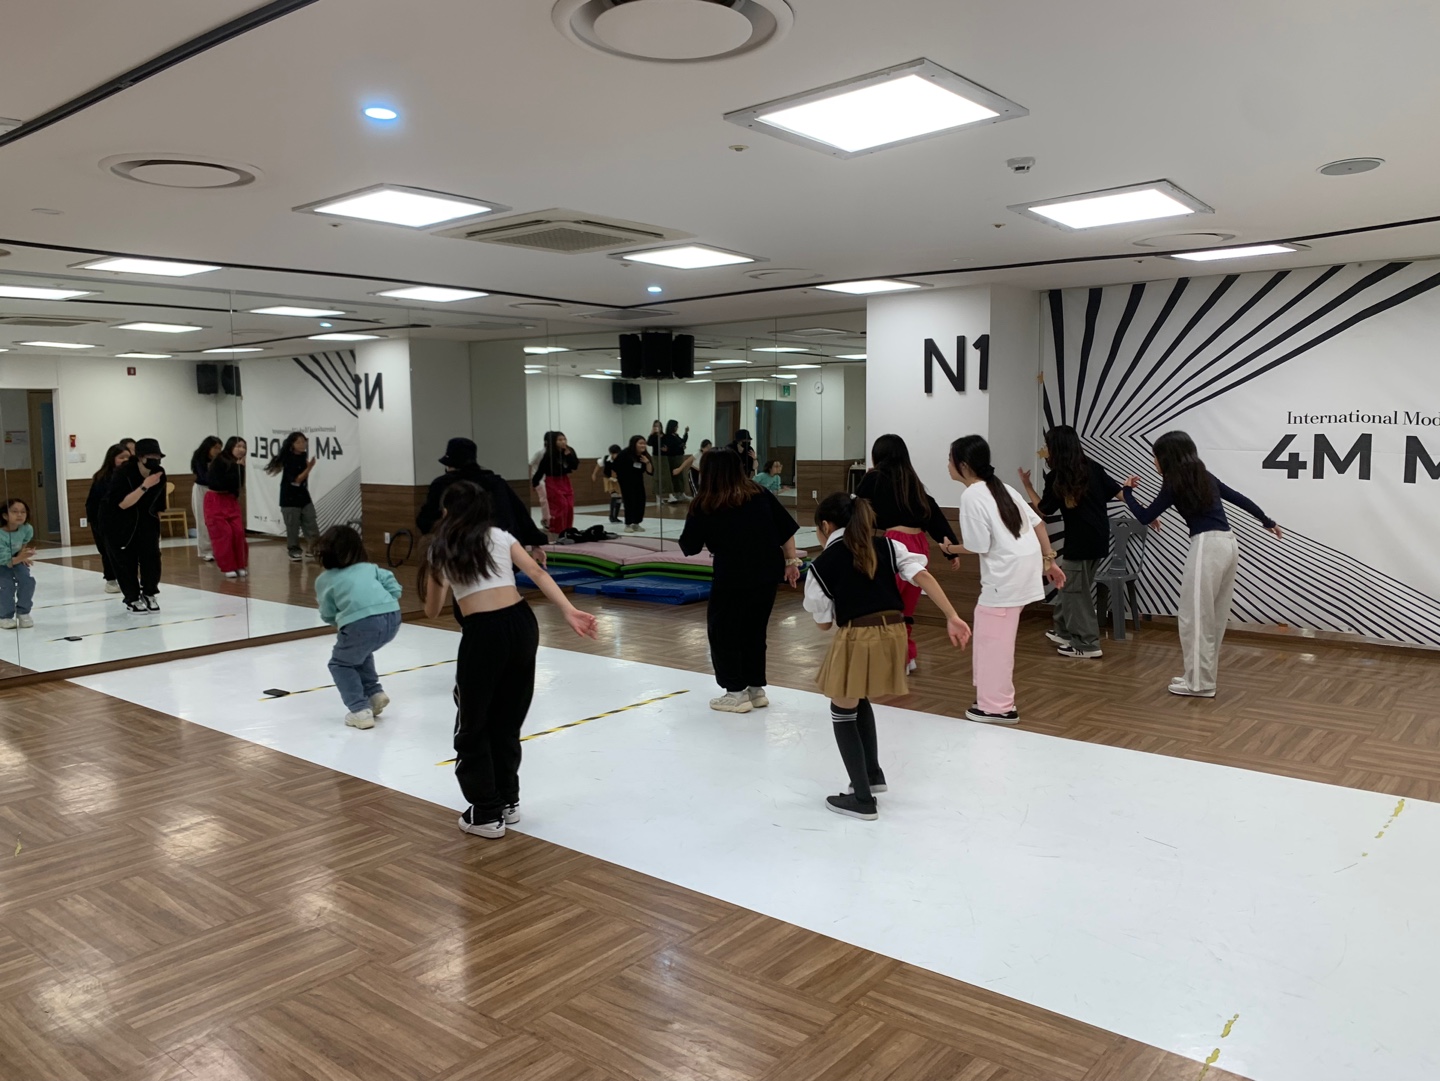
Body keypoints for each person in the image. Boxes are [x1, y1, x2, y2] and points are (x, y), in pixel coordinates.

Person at [421, 481, 598, 839]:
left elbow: (432, 610)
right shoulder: (500, 536)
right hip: (522, 624)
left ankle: (486, 813)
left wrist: (432, 574)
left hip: (484, 633)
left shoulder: (443, 547)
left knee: (473, 724)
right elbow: (537, 572)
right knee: (506, 718)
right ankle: (507, 800)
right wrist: (569, 610)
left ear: (447, 511)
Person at [805, 493, 970, 819]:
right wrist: (952, 615)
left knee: (841, 709)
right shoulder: (888, 546)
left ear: (825, 526)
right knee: (857, 694)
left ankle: (862, 799)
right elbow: (921, 575)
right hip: (895, 632)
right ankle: (873, 774)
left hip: (859, 634)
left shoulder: (822, 564)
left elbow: (823, 624)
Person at [1121, 430, 1282, 698]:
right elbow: (1239, 498)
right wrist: (1267, 521)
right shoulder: (1203, 476)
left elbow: (1146, 516)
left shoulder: (1174, 482)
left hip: (1207, 546)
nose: (1154, 461)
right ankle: (1199, 677)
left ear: (1167, 457)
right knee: (1213, 617)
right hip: (1229, 544)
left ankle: (1199, 684)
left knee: (1194, 617)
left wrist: (1127, 492)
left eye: (1155, 456)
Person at [938, 435, 1065, 725]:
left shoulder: (972, 495)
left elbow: (978, 545)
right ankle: (990, 698)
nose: (947, 465)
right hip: (1022, 572)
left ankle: (998, 707)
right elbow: (1038, 523)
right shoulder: (1002, 487)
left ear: (963, 465)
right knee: (990, 637)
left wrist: (949, 549)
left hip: (1006, 577)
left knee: (994, 643)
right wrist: (1049, 560)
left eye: (949, 460)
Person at [678, 447, 803, 713]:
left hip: (732, 574)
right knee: (754, 630)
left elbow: (689, 546)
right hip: (767, 571)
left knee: (723, 631)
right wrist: (791, 562)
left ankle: (735, 692)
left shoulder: (706, 503)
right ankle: (756, 689)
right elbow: (786, 530)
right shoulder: (759, 493)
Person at [855, 434, 962, 673]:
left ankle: (892, 660)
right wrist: (951, 550)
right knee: (906, 608)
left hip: (895, 544)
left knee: (886, 605)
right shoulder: (911, 481)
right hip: (919, 545)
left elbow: (856, 509)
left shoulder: (874, 478)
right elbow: (933, 513)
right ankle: (906, 656)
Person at [1017, 425, 1123, 660]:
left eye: (1048, 445)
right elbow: (1119, 492)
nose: (1045, 449)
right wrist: (1145, 511)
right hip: (1099, 539)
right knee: (1070, 585)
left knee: (1076, 593)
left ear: (1056, 447)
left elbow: (1044, 510)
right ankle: (1064, 631)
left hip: (1080, 541)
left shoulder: (1058, 475)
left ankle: (1087, 643)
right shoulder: (1092, 467)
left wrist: (1027, 486)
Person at [315, 525, 403, 731]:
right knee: (361, 652)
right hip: (393, 617)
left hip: (361, 624)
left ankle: (359, 710)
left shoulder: (325, 580)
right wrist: (388, 600)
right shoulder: (370, 568)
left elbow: (327, 612)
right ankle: (374, 693)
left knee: (340, 664)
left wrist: (340, 622)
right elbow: (392, 583)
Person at [417, 438, 548, 557]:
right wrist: (535, 543)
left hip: (457, 548)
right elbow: (519, 512)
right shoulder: (495, 482)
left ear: (449, 464)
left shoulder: (442, 484)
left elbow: (427, 519)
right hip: (496, 546)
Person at [105, 437, 169, 612]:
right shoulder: (123, 473)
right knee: (126, 561)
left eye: (158, 457)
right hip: (120, 521)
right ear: (140, 457)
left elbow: (159, 504)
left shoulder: (159, 473)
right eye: (151, 456)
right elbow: (122, 504)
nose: (155, 460)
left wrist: (157, 526)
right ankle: (132, 597)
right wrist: (145, 486)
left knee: (152, 558)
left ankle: (149, 592)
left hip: (147, 520)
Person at [265, 432, 319, 562]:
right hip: (289, 498)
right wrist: (310, 467)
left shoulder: (303, 456)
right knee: (293, 527)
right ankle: (294, 550)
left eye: (304, 441)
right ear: (292, 444)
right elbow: (297, 480)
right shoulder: (288, 459)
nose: (302, 444)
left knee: (311, 522)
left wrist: (308, 466)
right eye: (298, 442)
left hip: (303, 496)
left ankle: (313, 549)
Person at [86, 443, 130, 593]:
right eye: (121, 457)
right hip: (103, 520)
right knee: (107, 551)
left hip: (124, 520)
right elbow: (93, 503)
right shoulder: (103, 477)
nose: (125, 460)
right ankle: (111, 580)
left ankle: (127, 579)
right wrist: (96, 523)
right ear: (112, 459)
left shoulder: (132, 476)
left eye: (128, 457)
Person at [204, 437, 249, 580]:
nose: (241, 450)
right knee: (224, 534)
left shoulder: (239, 464)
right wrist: (237, 468)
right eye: (238, 446)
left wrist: (240, 468)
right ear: (231, 447)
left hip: (230, 500)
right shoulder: (220, 460)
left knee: (238, 532)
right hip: (216, 499)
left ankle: (240, 564)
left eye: (244, 447)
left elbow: (238, 485)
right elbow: (218, 483)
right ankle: (228, 566)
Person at [531, 430, 579, 535]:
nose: (563, 442)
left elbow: (575, 466)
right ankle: (557, 529)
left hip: (564, 480)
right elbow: (541, 469)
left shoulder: (569, 451)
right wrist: (535, 482)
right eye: (559, 440)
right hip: (552, 481)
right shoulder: (549, 454)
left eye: (564, 439)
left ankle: (568, 529)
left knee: (569, 506)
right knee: (561, 505)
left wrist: (568, 455)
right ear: (554, 441)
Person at [0, 498, 37, 630]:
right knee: (6, 586)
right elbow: (5, 561)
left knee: (28, 581)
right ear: (5, 516)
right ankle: (4, 616)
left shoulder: (26, 528)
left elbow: (23, 543)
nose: (20, 515)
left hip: (15, 559)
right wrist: (21, 557)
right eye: (15, 512)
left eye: (23, 512)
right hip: (2, 562)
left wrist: (22, 555)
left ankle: (23, 612)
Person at [189, 436, 221, 563]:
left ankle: (218, 549)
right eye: (215, 448)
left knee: (217, 520)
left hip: (216, 491)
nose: (217, 451)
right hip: (202, 489)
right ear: (208, 447)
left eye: (219, 448)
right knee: (203, 520)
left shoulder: (221, 459)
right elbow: (204, 477)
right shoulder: (199, 458)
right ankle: (206, 550)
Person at [616, 435, 653, 533]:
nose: (643, 445)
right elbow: (616, 467)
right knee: (629, 502)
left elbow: (650, 472)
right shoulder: (625, 453)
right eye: (640, 443)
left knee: (640, 502)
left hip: (638, 482)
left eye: (644, 443)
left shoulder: (644, 455)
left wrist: (647, 462)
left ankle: (636, 523)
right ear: (634, 444)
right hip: (626, 482)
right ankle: (628, 524)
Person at [660, 420, 690, 503]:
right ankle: (675, 494)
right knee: (674, 475)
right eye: (676, 426)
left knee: (680, 475)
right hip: (672, 458)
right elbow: (671, 447)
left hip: (679, 456)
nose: (677, 428)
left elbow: (682, 441)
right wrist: (680, 446)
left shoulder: (676, 435)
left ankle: (681, 493)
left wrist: (686, 433)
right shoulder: (667, 436)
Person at [593, 444, 623, 523]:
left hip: (618, 479)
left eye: (617, 453)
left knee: (619, 498)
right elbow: (598, 465)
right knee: (614, 496)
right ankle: (611, 516)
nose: (615, 455)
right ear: (611, 453)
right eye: (614, 453)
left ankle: (615, 516)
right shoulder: (606, 458)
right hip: (608, 479)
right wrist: (594, 474)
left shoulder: (622, 459)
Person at [646, 420, 665, 502]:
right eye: (655, 426)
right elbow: (649, 443)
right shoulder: (653, 437)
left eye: (658, 426)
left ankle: (668, 494)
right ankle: (658, 496)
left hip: (664, 457)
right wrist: (652, 433)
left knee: (665, 476)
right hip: (656, 457)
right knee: (657, 475)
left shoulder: (664, 436)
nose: (657, 428)